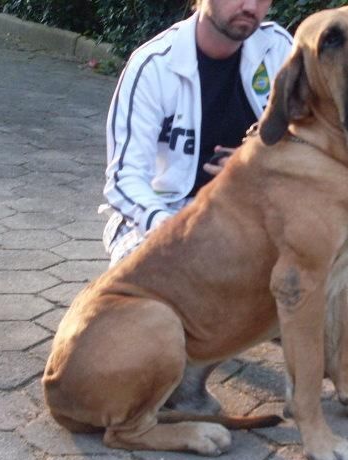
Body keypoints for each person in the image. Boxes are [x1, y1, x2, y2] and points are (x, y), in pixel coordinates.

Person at [101, 0, 293, 266]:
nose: (251, 7)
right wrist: (169, 229)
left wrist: (256, 163)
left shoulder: (279, 51)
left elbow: (310, 141)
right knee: (147, 277)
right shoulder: (154, 65)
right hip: (162, 209)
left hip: (251, 208)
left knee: (300, 267)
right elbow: (125, 178)